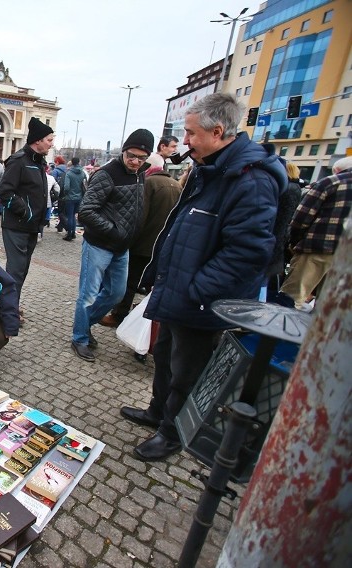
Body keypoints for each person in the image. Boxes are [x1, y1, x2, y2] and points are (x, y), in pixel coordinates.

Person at [122, 92, 285, 462]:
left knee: (188, 370)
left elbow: (247, 252)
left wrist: (198, 290)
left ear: (218, 131)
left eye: (192, 133)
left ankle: (172, 433)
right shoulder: (210, 167)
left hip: (199, 300)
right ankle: (157, 411)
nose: (186, 141)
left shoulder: (251, 179)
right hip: (179, 290)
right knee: (164, 357)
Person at [70, 128, 153, 362]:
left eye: (141, 157)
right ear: (124, 151)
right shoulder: (107, 174)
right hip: (99, 245)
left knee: (116, 294)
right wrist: (114, 231)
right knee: (88, 295)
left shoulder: (140, 174)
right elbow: (86, 211)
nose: (135, 161)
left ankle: (85, 326)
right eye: (131, 156)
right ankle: (79, 338)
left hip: (122, 247)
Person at [99, 153, 181, 328]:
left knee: (130, 282)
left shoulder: (148, 183)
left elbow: (139, 215)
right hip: (161, 245)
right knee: (151, 285)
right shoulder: (176, 185)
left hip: (143, 243)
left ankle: (119, 315)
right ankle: (147, 322)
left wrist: (128, 239)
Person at [280, 156, 352, 310]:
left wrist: (294, 242)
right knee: (329, 306)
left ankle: (279, 332)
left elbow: (301, 218)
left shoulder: (330, 183)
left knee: (292, 300)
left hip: (318, 249)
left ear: (337, 170)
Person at [0, 116, 54, 302]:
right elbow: (5, 192)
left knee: (22, 271)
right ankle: (8, 311)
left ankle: (10, 305)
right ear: (38, 140)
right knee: (16, 271)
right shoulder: (18, 161)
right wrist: (26, 212)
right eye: (49, 140)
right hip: (16, 226)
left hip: (31, 227)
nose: (51, 144)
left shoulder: (39, 162)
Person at [265, 160, 303, 302]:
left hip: (274, 241)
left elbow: (282, 219)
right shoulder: (293, 188)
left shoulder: (288, 189)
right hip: (277, 240)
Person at [59, 157, 85, 241]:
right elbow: (84, 184)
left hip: (70, 197)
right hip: (79, 197)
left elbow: (66, 187)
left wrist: (66, 194)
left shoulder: (69, 173)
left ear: (72, 163)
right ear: (79, 162)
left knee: (70, 216)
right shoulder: (83, 173)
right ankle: (73, 232)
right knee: (74, 215)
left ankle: (69, 234)